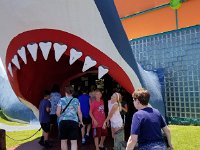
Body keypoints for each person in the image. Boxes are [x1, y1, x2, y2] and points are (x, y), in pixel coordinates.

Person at [56, 85, 84, 150]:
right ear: (72, 92)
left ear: (65, 92)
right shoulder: (76, 100)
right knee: (74, 142)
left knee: (63, 141)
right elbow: (79, 112)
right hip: (74, 122)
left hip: (63, 122)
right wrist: (81, 121)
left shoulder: (61, 100)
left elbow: (57, 112)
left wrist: (62, 118)